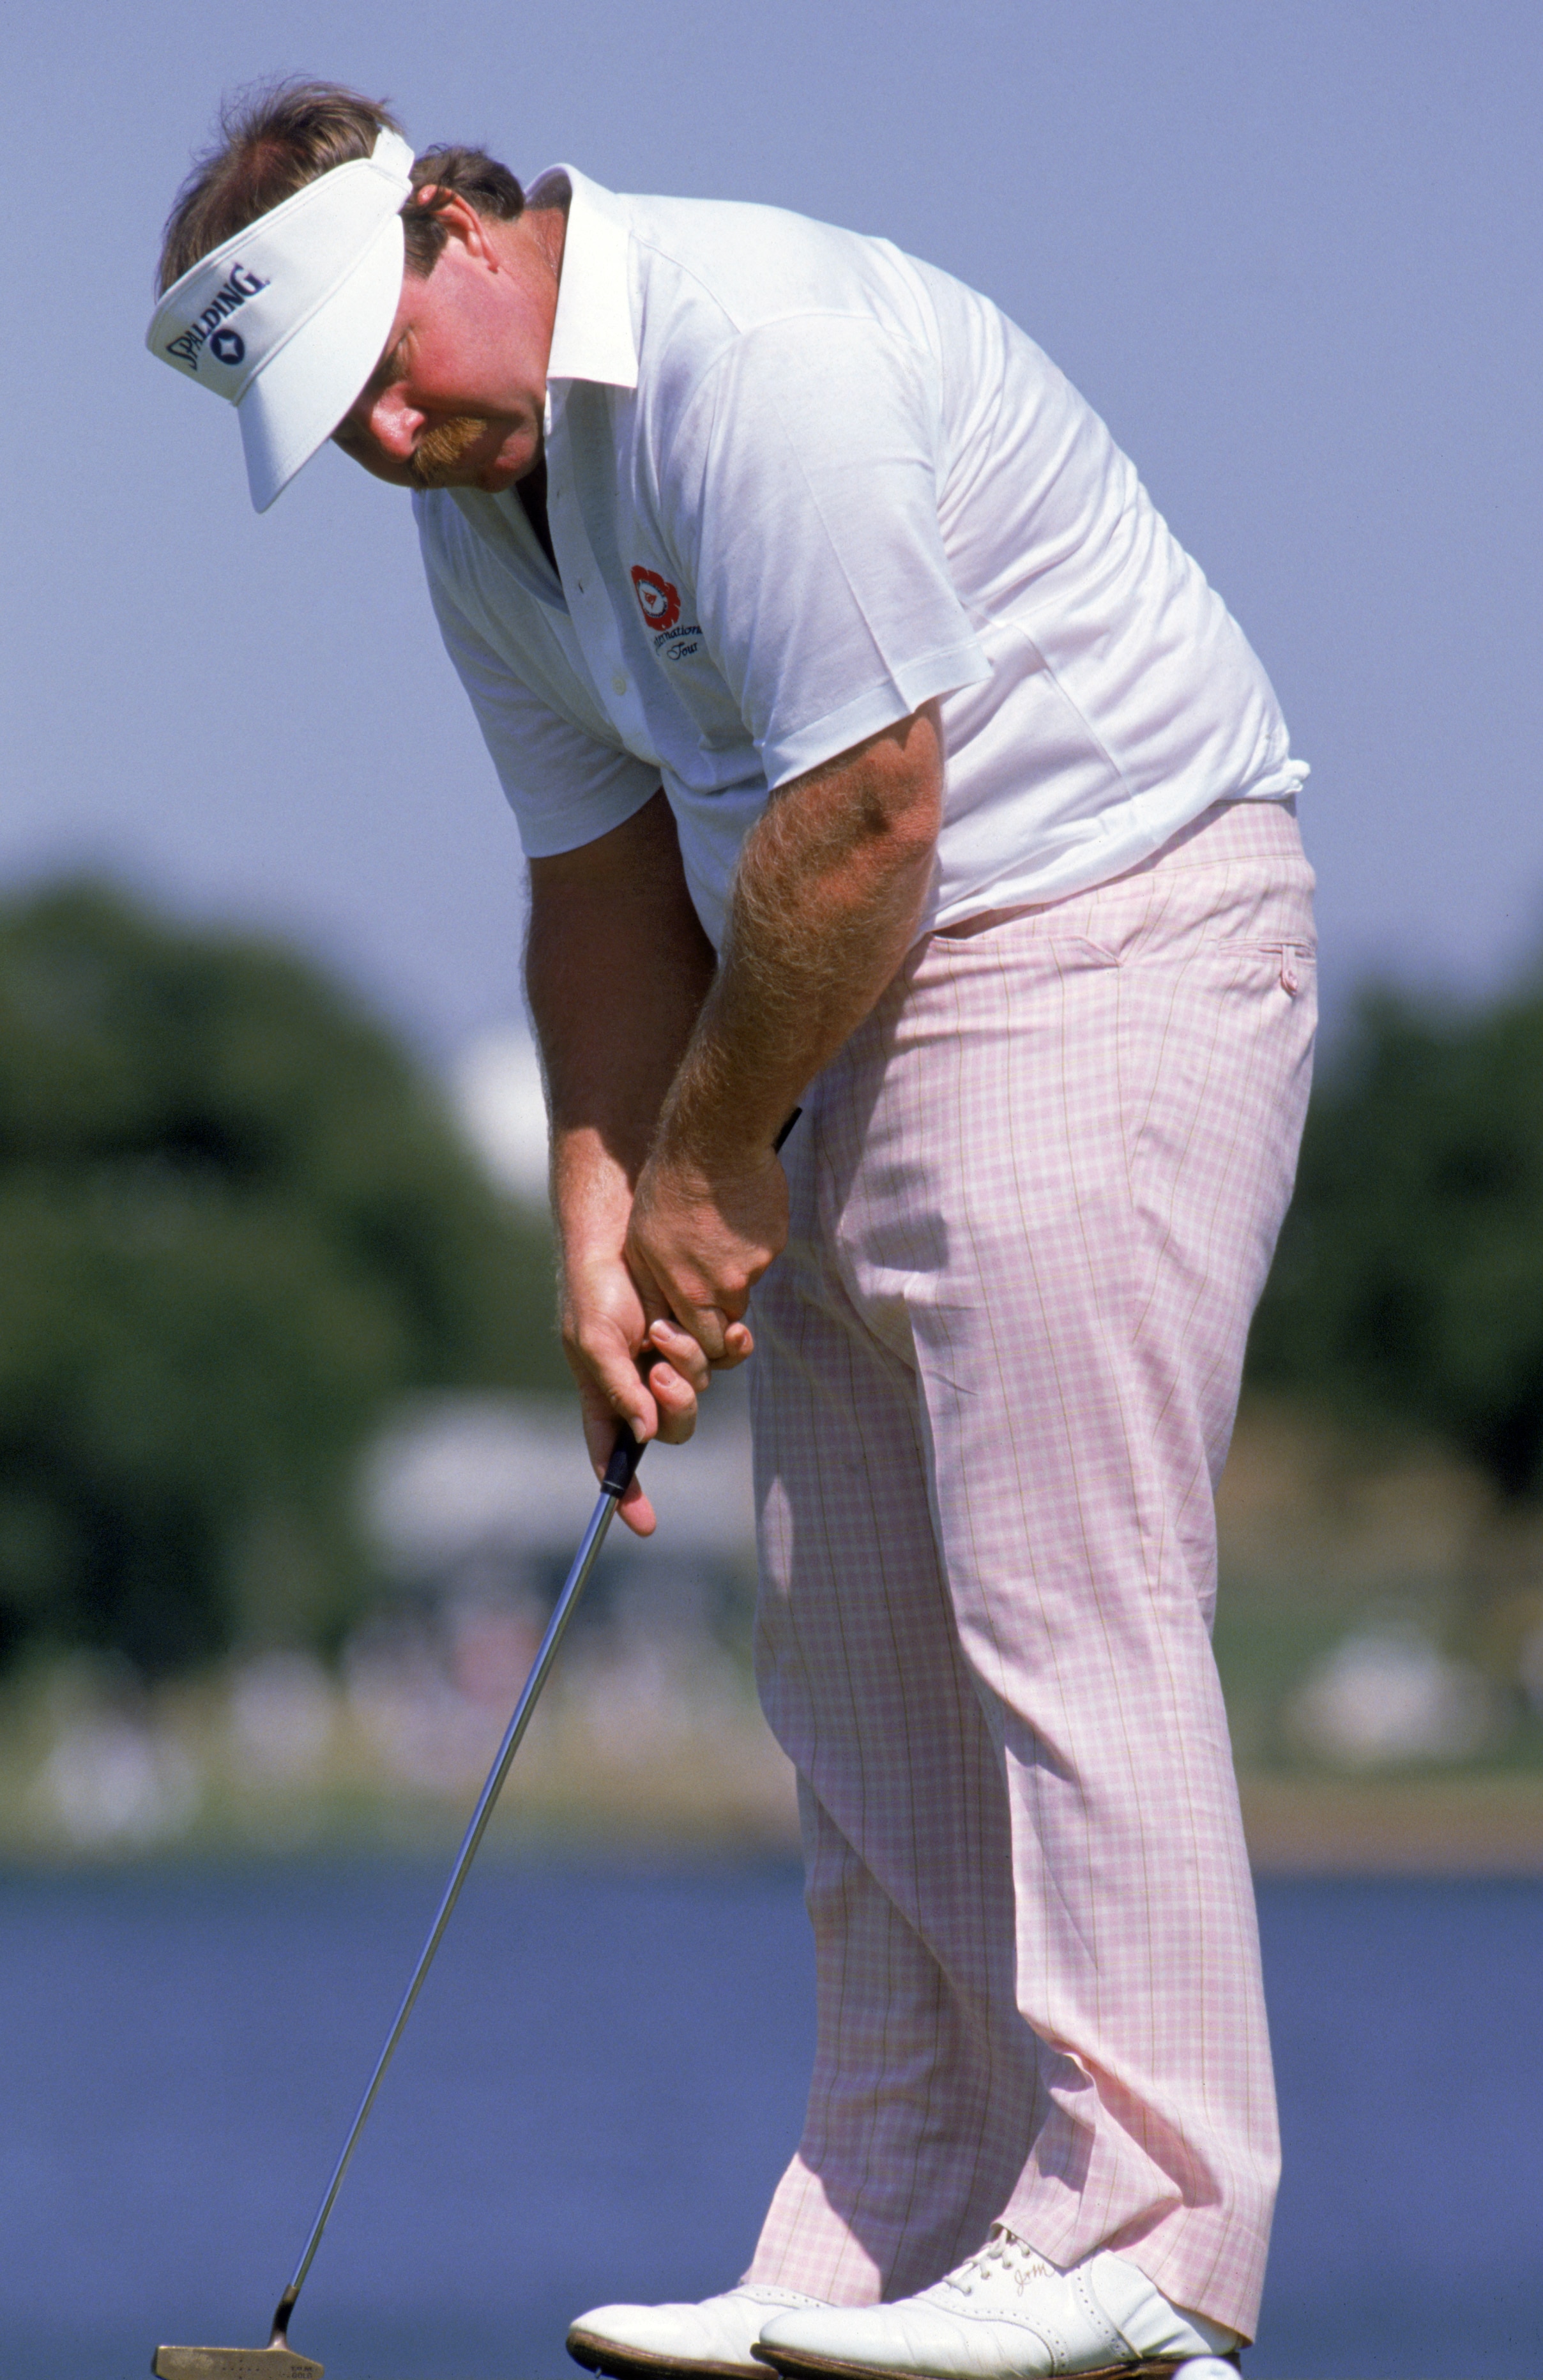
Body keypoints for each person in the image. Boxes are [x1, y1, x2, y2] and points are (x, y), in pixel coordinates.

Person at [149, 81, 1316, 2380]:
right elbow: (599, 885)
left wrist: (707, 1166)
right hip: (859, 990)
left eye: (392, 367)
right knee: (853, 1639)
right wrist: (606, 1221)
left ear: (466, 221)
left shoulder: (749, 355)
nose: (389, 433)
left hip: (1106, 925)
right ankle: (890, 2220)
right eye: (341, 423)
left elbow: (875, 805)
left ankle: (1154, 2245)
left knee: (1060, 1598)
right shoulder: (483, 506)